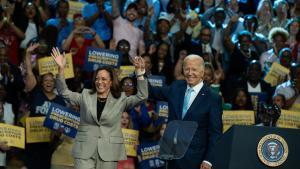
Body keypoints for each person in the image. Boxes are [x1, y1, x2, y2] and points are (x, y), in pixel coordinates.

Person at [51, 47, 148, 169]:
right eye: (97, 78)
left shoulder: (121, 100)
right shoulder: (86, 95)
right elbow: (63, 91)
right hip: (85, 151)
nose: (99, 82)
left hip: (108, 152)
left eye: (103, 79)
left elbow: (142, 96)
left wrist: (139, 73)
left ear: (111, 82)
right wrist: (61, 69)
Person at [149, 54, 222, 169]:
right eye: (187, 69)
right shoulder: (176, 87)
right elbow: (152, 92)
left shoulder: (213, 98)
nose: (189, 72)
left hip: (195, 160)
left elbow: (215, 133)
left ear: (202, 72)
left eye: (194, 69)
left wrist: (208, 160)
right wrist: (139, 74)